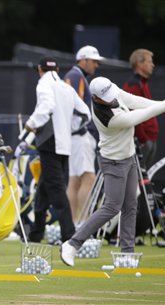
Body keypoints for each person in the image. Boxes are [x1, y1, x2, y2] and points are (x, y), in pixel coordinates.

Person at [60, 77, 165, 267]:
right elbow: (139, 116)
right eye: (106, 98)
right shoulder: (106, 117)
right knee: (111, 207)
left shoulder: (110, 90)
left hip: (129, 157)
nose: (112, 98)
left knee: (130, 205)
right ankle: (72, 244)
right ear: (95, 98)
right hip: (113, 162)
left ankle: (127, 254)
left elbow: (135, 101)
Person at [24, 56, 89, 244]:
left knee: (56, 189)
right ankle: (36, 234)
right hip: (64, 144)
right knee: (44, 189)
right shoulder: (67, 88)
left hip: (48, 142)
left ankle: (69, 235)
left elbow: (47, 106)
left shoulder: (43, 85)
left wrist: (30, 124)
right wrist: (70, 128)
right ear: (58, 70)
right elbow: (85, 113)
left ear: (39, 69)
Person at [63, 45, 104, 222]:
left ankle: (74, 223)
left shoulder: (76, 76)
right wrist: (80, 128)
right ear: (84, 60)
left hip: (75, 136)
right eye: (94, 61)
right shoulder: (75, 76)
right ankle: (83, 222)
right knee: (88, 177)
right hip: (80, 136)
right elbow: (73, 107)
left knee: (75, 180)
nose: (96, 65)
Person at [123, 48, 157, 168]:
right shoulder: (133, 85)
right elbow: (132, 114)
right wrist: (143, 139)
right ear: (139, 63)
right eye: (149, 62)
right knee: (138, 177)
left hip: (149, 139)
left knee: (144, 178)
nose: (152, 65)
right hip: (143, 141)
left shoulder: (143, 83)